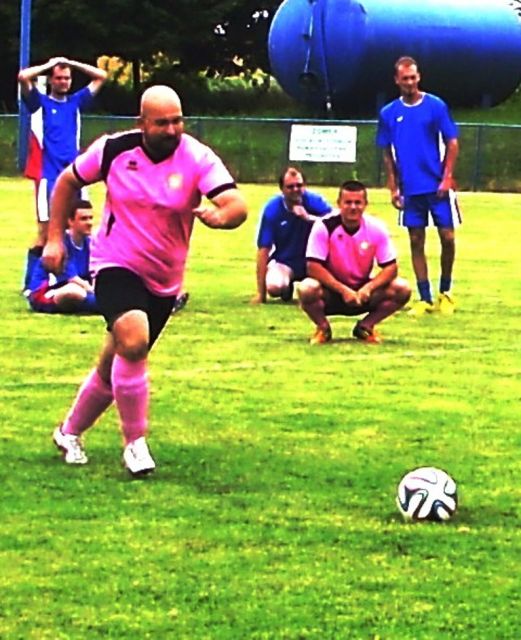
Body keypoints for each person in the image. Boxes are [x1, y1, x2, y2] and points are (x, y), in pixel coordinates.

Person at [42, 85, 247, 477]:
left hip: (164, 278)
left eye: (177, 121)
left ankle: (68, 433)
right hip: (115, 263)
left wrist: (223, 216)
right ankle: (135, 444)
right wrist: (54, 238)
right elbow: (68, 182)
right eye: (162, 123)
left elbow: (236, 203)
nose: (172, 130)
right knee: (134, 342)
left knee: (115, 362)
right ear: (142, 123)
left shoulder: (196, 156)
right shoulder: (113, 150)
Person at [376, 56, 460, 317]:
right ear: (397, 80)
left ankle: (446, 292)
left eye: (413, 77)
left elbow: (452, 142)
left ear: (419, 77)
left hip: (437, 185)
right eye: (405, 79)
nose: (410, 82)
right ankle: (424, 297)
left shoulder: (435, 106)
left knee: (447, 237)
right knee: (415, 240)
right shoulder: (389, 113)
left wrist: (447, 177)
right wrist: (393, 187)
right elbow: (387, 152)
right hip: (410, 188)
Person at [18, 56, 107, 291]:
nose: (63, 82)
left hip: (75, 176)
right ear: (51, 80)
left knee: (81, 228)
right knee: (46, 233)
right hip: (48, 176)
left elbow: (101, 76)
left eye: (67, 78)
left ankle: (76, 275)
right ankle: (31, 283)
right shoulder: (40, 103)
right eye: (58, 78)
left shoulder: (76, 102)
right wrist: (50, 64)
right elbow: (23, 77)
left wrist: (72, 63)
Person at [298, 180, 411, 344]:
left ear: (365, 204)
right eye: (348, 202)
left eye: (358, 203)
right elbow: (313, 267)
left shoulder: (376, 228)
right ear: (339, 204)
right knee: (307, 288)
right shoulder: (324, 226)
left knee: (402, 288)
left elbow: (391, 267)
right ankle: (323, 328)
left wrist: (368, 288)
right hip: (332, 291)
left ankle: (366, 326)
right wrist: (343, 290)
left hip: (363, 293)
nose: (353, 207)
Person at [252, 166, 331, 303]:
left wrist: (309, 218)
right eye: (290, 187)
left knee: (325, 293)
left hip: (316, 261)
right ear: (281, 189)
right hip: (286, 261)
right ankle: (286, 287)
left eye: (299, 185)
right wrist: (261, 293)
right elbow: (263, 249)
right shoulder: (272, 209)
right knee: (275, 287)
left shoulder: (315, 202)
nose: (295, 190)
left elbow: (336, 225)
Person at [28, 199, 98, 314]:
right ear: (70, 221)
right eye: (83, 219)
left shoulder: (90, 243)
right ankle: (101, 305)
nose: (89, 223)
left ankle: (97, 304)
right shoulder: (61, 244)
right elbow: (72, 279)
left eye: (91, 218)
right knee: (74, 292)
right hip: (48, 291)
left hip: (78, 288)